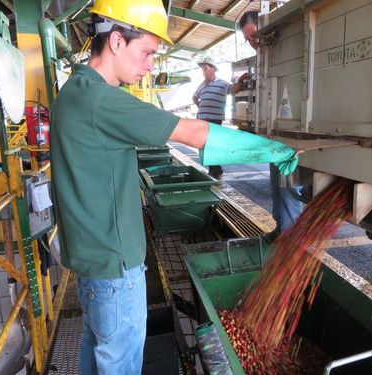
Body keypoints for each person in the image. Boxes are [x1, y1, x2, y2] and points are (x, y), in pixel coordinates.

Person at [50, 1, 297, 374]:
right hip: (115, 270)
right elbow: (193, 133)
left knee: (96, 351)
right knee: (118, 364)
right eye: (147, 52)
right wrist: (270, 149)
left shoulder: (74, 91)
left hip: (91, 262)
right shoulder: (102, 100)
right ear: (117, 41)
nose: (151, 64)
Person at [238, 10, 304, 236]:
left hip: (290, 135)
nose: (252, 42)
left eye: (254, 35)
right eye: (247, 39)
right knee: (277, 187)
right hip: (272, 136)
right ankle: (281, 230)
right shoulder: (263, 59)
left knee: (288, 189)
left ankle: (289, 240)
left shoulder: (286, 50)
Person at [193, 56, 249, 179]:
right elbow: (194, 96)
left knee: (212, 144)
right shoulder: (201, 85)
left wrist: (240, 80)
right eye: (202, 68)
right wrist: (199, 105)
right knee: (204, 145)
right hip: (202, 119)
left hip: (214, 119)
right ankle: (213, 169)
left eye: (205, 68)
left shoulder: (222, 84)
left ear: (213, 69)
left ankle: (216, 171)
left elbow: (233, 89)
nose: (203, 71)